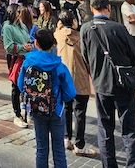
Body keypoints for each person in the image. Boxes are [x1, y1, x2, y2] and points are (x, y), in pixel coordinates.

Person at [81, 0, 135, 168]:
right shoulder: (118, 28)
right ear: (108, 8)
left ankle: (108, 164)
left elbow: (85, 56)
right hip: (122, 83)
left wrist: (95, 74)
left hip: (100, 84)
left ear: (92, 8)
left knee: (104, 127)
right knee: (130, 128)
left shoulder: (86, 28)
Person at [17, 28, 77, 168]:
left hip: (37, 109)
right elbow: (70, 93)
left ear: (36, 43)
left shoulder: (28, 62)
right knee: (59, 150)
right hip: (56, 110)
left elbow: (21, 86)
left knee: (41, 149)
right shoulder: (59, 66)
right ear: (52, 44)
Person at [56, 9, 96, 158]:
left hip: (63, 78)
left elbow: (58, 28)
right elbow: (89, 60)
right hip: (80, 79)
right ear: (73, 21)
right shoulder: (81, 38)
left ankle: (66, 138)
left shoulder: (58, 35)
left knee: (66, 109)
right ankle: (79, 144)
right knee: (80, 112)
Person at [3, 4, 34, 129]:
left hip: (27, 58)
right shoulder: (7, 27)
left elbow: (27, 39)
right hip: (16, 59)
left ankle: (27, 111)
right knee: (16, 86)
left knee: (27, 85)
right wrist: (22, 47)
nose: (20, 13)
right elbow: (8, 47)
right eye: (18, 11)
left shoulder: (22, 25)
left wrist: (29, 45)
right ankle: (17, 114)